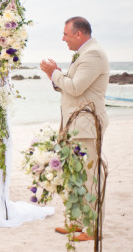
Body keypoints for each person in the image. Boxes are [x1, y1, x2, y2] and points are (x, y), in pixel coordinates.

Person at [40, 17, 109, 241]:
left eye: (66, 34)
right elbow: (70, 87)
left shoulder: (93, 54)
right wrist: (58, 76)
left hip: (87, 125)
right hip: (75, 125)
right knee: (76, 177)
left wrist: (54, 73)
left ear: (79, 34)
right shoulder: (85, 54)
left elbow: (76, 88)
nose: (63, 39)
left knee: (90, 177)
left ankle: (92, 229)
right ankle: (78, 223)